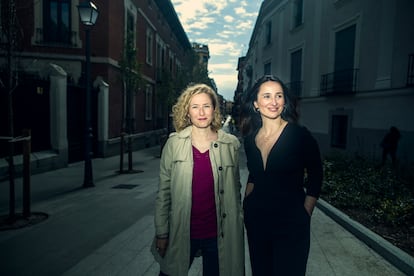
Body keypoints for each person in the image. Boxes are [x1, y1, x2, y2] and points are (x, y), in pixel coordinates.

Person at [151, 83, 245, 276]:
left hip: (219, 234)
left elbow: (235, 190)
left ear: (214, 109)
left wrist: (238, 224)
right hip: (182, 232)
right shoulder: (173, 144)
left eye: (206, 106)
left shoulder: (230, 145)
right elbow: (164, 192)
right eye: (195, 106)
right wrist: (162, 232)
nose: (201, 112)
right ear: (187, 111)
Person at [240, 75, 323, 275]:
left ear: (284, 101)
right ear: (256, 104)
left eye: (279, 96)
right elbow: (254, 175)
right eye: (267, 96)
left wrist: (305, 213)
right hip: (257, 222)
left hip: (292, 223)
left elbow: (316, 174)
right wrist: (247, 204)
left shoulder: (299, 135)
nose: (274, 102)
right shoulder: (250, 140)